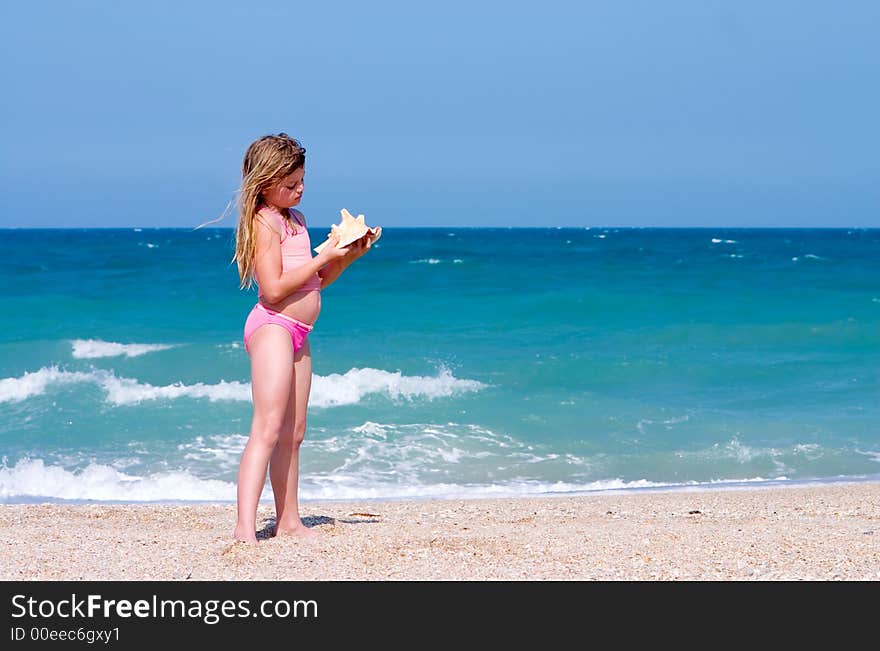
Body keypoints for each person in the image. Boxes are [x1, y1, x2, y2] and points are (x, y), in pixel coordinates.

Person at [231, 133, 374, 542]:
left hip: (300, 331)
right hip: (273, 325)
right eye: (291, 184)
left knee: (294, 432)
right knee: (269, 427)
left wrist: (346, 256)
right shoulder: (264, 222)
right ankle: (244, 528)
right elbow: (274, 289)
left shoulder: (298, 221)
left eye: (302, 181)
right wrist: (323, 255)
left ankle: (289, 521)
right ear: (265, 181)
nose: (301, 189)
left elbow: (316, 280)